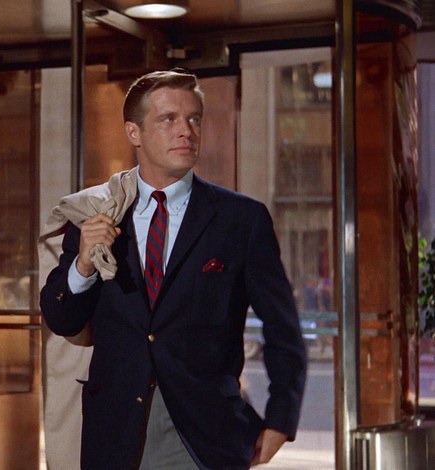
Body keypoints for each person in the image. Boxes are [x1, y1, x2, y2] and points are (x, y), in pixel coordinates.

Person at [40, 69, 307, 469]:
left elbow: (283, 328)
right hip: (115, 435)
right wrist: (83, 264)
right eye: (169, 119)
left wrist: (281, 419)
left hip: (206, 436)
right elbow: (62, 319)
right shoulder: (96, 213)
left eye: (194, 118)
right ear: (134, 132)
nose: (186, 131)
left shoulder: (241, 220)